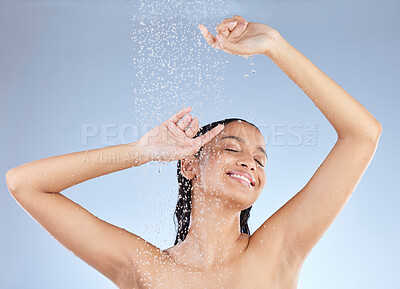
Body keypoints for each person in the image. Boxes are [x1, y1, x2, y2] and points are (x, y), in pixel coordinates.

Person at [6, 15, 382, 289]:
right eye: (231, 147)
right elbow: (24, 184)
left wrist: (274, 46)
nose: (250, 161)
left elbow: (362, 135)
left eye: (260, 159)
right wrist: (141, 151)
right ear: (190, 166)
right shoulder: (145, 268)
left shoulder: (277, 249)